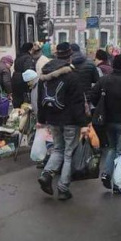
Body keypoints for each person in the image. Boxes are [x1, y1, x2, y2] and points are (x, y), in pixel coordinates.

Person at [36, 43, 86, 201]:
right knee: (68, 153)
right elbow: (78, 102)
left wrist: (42, 119)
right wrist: (84, 123)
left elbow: (40, 100)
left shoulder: (44, 75)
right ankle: (63, 188)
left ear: (56, 55)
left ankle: (46, 174)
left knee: (58, 149)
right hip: (70, 120)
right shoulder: (72, 75)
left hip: (52, 118)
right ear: (70, 56)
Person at [89, 54, 121, 191]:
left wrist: (101, 107)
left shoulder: (104, 80)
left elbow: (93, 96)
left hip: (106, 120)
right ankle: (117, 182)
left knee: (111, 147)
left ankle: (106, 173)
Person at [11, 42, 36, 108]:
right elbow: (28, 71)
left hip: (15, 78)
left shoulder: (18, 57)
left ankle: (16, 114)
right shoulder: (28, 58)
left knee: (17, 100)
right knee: (24, 102)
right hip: (22, 79)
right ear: (29, 50)